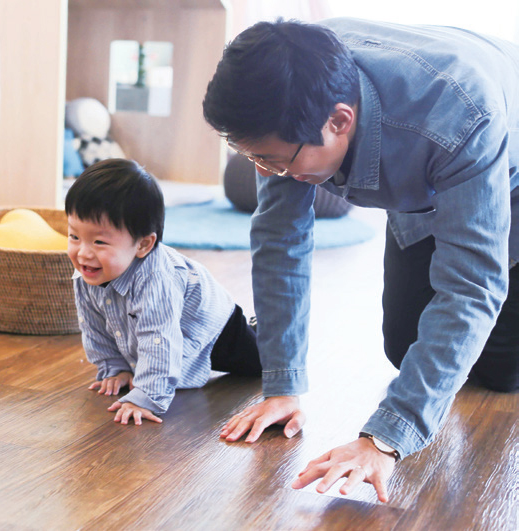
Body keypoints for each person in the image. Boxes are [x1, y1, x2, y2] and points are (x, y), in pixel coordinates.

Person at [202, 18, 519, 503]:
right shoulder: (290, 92)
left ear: (340, 120)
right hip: (431, 167)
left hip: (503, 160)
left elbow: (470, 288)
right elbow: (280, 239)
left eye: (276, 161)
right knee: (404, 345)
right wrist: (282, 384)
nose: (268, 173)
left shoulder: (457, 114)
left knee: (499, 371)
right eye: (257, 159)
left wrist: (383, 440)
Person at [66, 158, 261, 425]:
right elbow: (93, 325)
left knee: (261, 363)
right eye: (74, 236)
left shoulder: (157, 280)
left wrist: (146, 395)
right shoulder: (88, 270)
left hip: (216, 327)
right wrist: (115, 367)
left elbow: (159, 338)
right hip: (177, 330)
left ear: (143, 244)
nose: (83, 252)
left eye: (99, 241)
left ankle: (263, 329)